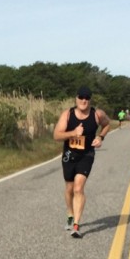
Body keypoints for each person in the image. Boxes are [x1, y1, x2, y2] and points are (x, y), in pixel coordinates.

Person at [53, 85, 110, 238]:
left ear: (90, 100)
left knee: (78, 188)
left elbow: (107, 124)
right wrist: (73, 133)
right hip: (69, 155)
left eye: (87, 98)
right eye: (81, 97)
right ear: (76, 98)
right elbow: (57, 135)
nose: (84, 101)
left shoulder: (97, 114)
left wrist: (101, 137)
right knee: (69, 188)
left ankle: (76, 225)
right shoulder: (68, 115)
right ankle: (70, 214)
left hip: (87, 155)